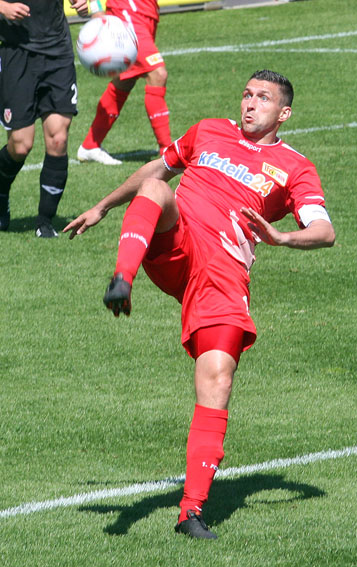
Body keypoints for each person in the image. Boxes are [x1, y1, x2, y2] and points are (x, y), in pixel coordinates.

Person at [64, 69, 335, 539]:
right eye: (247, 94)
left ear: (284, 113)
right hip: (179, 243)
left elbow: (324, 231)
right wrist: (103, 205)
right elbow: (155, 173)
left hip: (223, 276)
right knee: (157, 190)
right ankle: (122, 279)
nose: (250, 103)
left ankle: (190, 512)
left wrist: (281, 237)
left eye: (263, 98)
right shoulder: (208, 130)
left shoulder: (295, 167)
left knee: (217, 381)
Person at [0, 0, 88, 237]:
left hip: (57, 52)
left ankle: (45, 221)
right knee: (20, 145)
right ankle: (1, 190)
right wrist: (3, 8)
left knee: (58, 139)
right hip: (16, 50)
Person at [77, 0, 171, 166]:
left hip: (146, 13)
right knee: (158, 74)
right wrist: (96, 9)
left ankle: (90, 145)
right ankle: (168, 151)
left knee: (125, 80)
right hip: (127, 14)